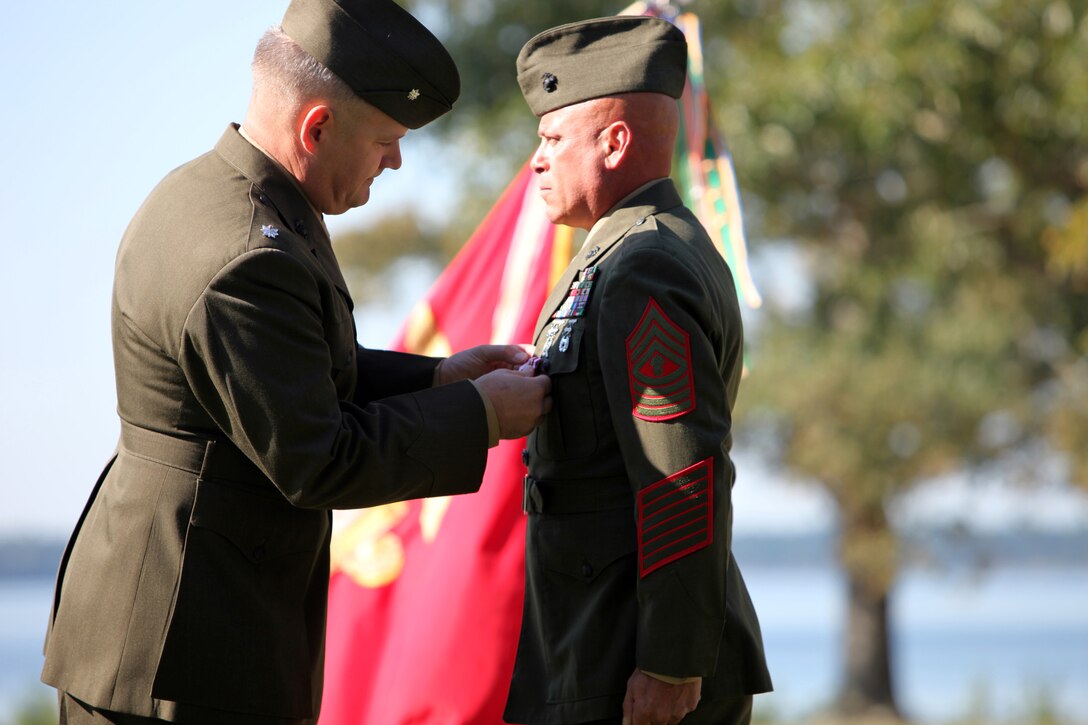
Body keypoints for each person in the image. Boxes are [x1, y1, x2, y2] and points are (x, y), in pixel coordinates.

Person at [40, 0, 551, 723]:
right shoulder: (249, 251)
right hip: (181, 651)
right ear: (317, 127)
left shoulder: (216, 192)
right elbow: (317, 456)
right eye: (385, 140)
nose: (396, 161)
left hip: (172, 623)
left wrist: (439, 376)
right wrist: (483, 414)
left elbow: (294, 370)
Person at [503, 16, 772, 725]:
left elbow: (681, 473)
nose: (536, 159)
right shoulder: (621, 255)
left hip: (631, 660)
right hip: (596, 639)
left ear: (614, 142)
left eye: (552, 138)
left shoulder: (643, 266)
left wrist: (671, 660)